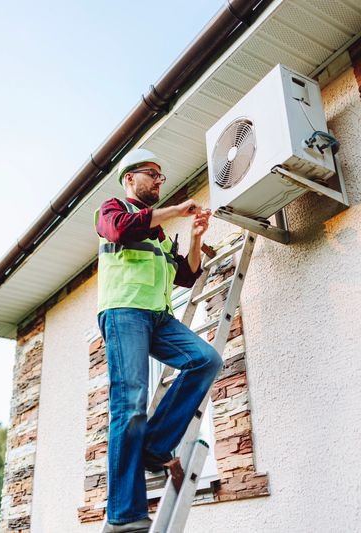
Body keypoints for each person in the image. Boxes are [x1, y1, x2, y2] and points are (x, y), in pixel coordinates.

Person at [94, 148, 222, 532]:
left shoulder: (161, 234)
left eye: (161, 176)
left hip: (158, 318)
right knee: (129, 404)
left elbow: (186, 276)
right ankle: (124, 515)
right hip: (124, 312)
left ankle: (154, 446)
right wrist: (176, 211)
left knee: (206, 360)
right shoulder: (112, 208)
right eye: (153, 174)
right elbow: (120, 230)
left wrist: (196, 237)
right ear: (131, 178)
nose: (159, 181)